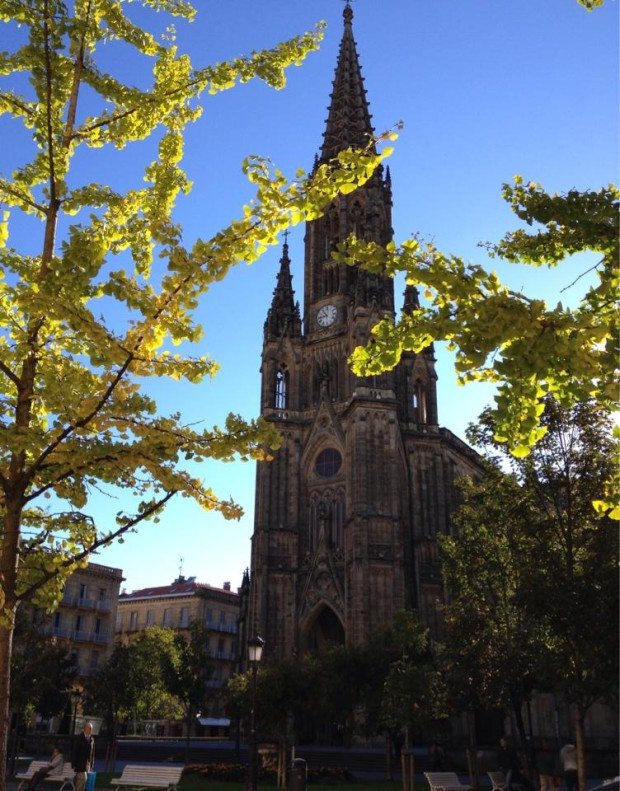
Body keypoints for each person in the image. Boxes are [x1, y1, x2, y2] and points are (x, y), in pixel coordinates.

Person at [71, 722, 95, 791]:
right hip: (79, 763)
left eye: (91, 728)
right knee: (83, 778)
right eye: (89, 728)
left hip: (87, 764)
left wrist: (91, 764)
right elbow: (75, 752)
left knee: (82, 782)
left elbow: (92, 753)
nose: (91, 730)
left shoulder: (91, 739)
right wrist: (74, 764)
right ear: (85, 729)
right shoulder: (79, 738)